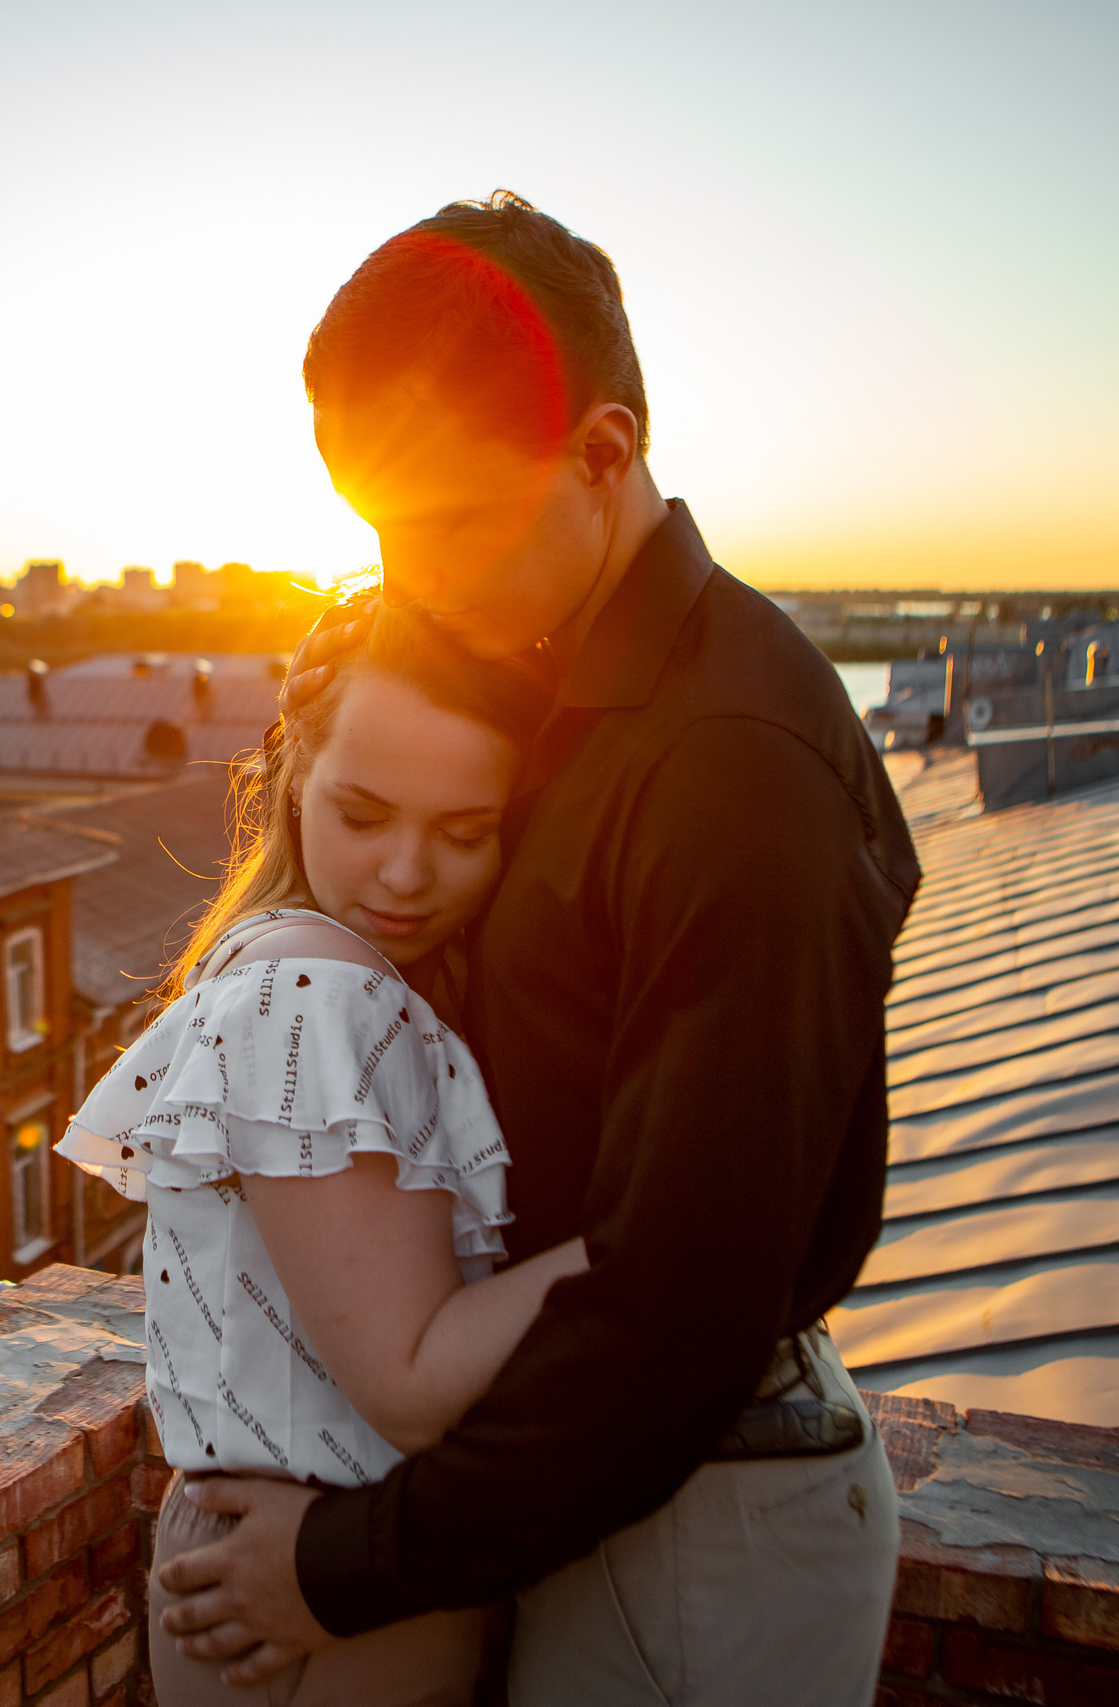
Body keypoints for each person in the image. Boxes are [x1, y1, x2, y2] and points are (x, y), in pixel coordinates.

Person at [152, 193, 922, 1705]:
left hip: (704, 1528)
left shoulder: (728, 763)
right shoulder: (566, 697)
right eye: (382, 526)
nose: (410, 573)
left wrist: (340, 1563)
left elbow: (678, 1312)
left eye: (447, 520)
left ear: (605, 455)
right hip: (572, 1503)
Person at [56, 602, 588, 1705]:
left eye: (463, 831)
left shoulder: (277, 960)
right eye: (363, 813)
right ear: (294, 774)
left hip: (266, 1558)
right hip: (324, 1597)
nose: (403, 872)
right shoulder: (321, 994)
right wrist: (657, 1234)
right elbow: (408, 1384)